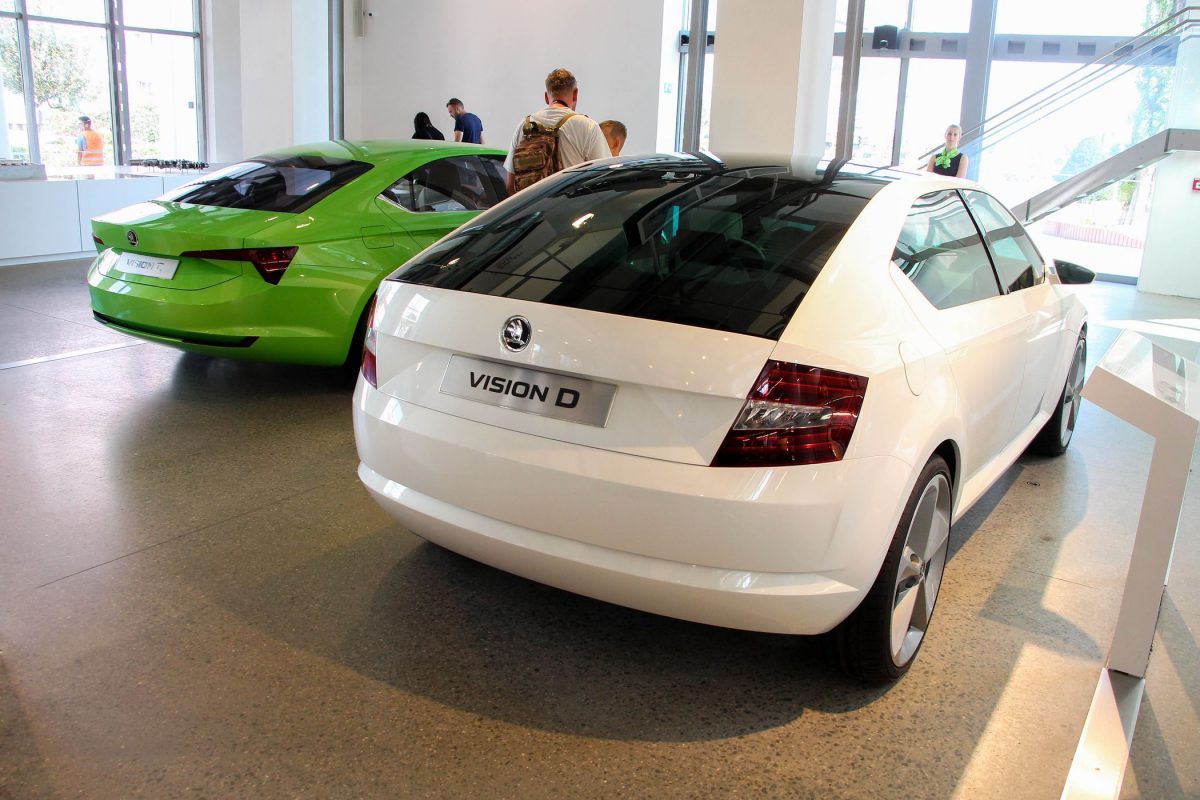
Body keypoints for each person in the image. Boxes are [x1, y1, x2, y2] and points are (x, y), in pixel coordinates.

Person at [504, 68, 610, 194]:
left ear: (546, 97)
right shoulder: (587, 126)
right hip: (570, 205)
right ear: (575, 94)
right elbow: (605, 178)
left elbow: (510, 185)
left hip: (533, 205)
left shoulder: (524, 126)